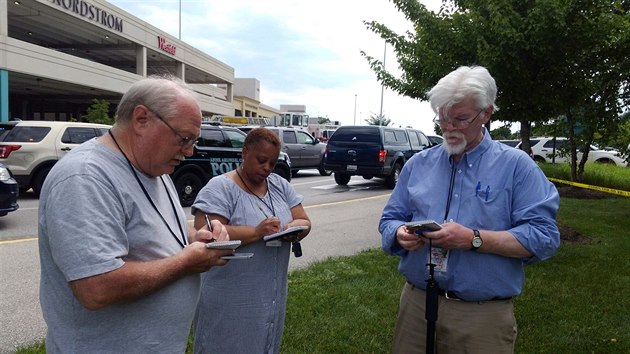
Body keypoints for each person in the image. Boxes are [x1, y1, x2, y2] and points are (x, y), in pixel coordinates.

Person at [38, 75, 234, 353]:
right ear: (142, 119)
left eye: (193, 141)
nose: (189, 151)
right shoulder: (85, 177)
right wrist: (187, 262)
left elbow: (161, 227)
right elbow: (97, 287)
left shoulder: (155, 170)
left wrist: (197, 237)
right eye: (184, 138)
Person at [379, 66, 560, 354]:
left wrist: (474, 239)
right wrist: (399, 233)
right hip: (416, 305)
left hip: (481, 318)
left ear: (486, 113)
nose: (449, 128)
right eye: (442, 119)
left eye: (461, 119)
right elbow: (390, 219)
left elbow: (544, 237)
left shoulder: (516, 167)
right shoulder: (418, 164)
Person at [191, 127, 311, 353]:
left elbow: (304, 220)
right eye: (262, 160)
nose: (267, 168)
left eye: (272, 163)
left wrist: (291, 229)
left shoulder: (279, 185)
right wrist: (257, 232)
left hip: (269, 295)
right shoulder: (220, 187)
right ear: (245, 153)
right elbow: (206, 233)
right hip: (229, 299)